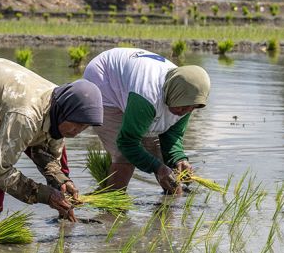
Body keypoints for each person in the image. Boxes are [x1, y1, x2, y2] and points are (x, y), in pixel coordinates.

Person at [0, 58, 103, 225]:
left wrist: (61, 181)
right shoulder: (25, 118)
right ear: (64, 112)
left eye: (84, 127)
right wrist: (44, 195)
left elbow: (50, 159)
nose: (77, 132)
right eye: (76, 124)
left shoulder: (60, 108)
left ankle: (65, 215)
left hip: (9, 97)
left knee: (62, 169)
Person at [83, 48, 211, 194]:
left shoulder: (189, 98)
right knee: (124, 156)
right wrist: (157, 168)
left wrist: (179, 159)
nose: (184, 112)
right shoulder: (148, 96)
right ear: (174, 93)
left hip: (135, 84)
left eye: (191, 108)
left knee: (159, 154)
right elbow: (127, 143)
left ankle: (172, 207)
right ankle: (112, 207)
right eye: (183, 107)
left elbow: (171, 138)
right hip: (104, 80)